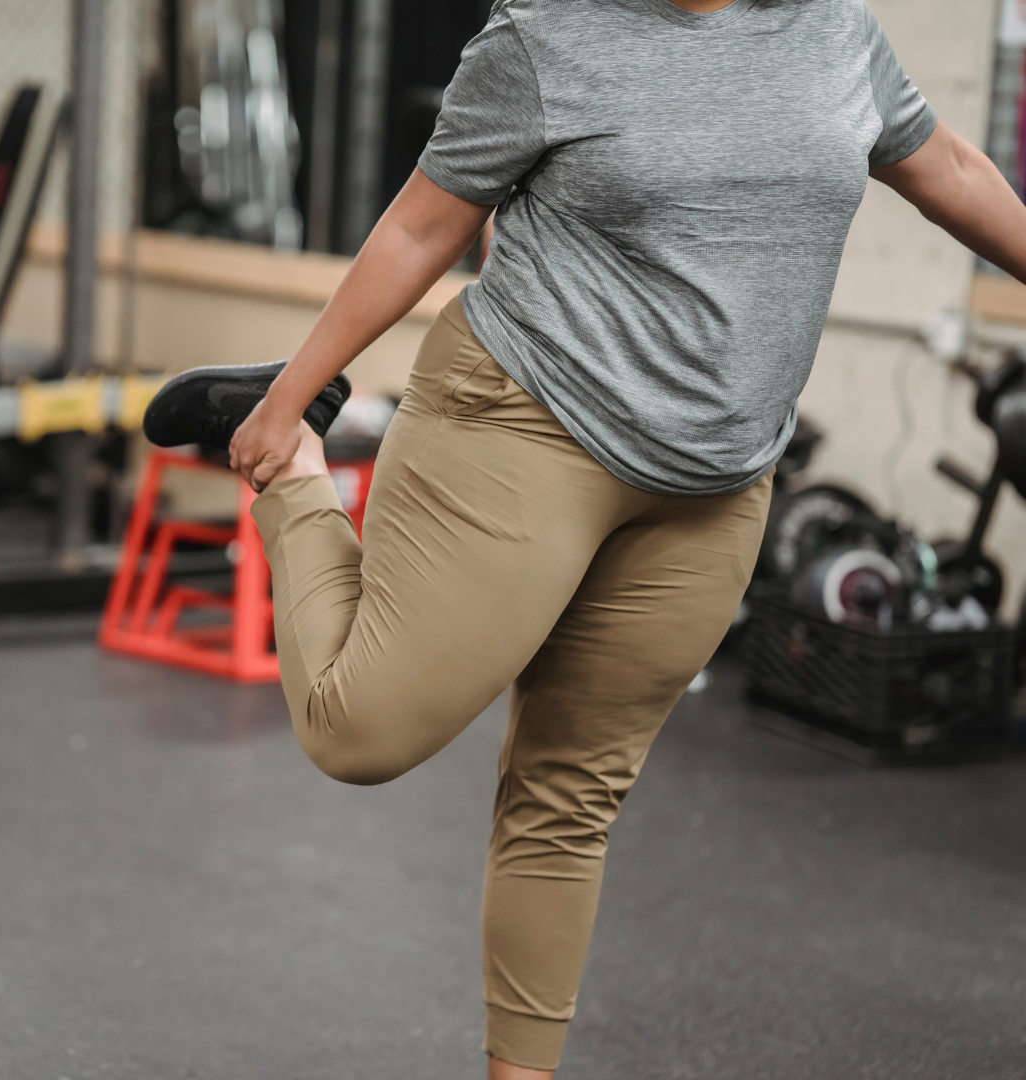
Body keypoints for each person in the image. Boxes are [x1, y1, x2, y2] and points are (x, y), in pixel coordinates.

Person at [144, 0, 1026, 1075]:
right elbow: (424, 225)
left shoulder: (835, 34)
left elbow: (956, 171)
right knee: (355, 731)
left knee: (567, 802)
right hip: (524, 422)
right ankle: (290, 469)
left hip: (715, 482)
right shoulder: (548, 36)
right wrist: (287, 398)